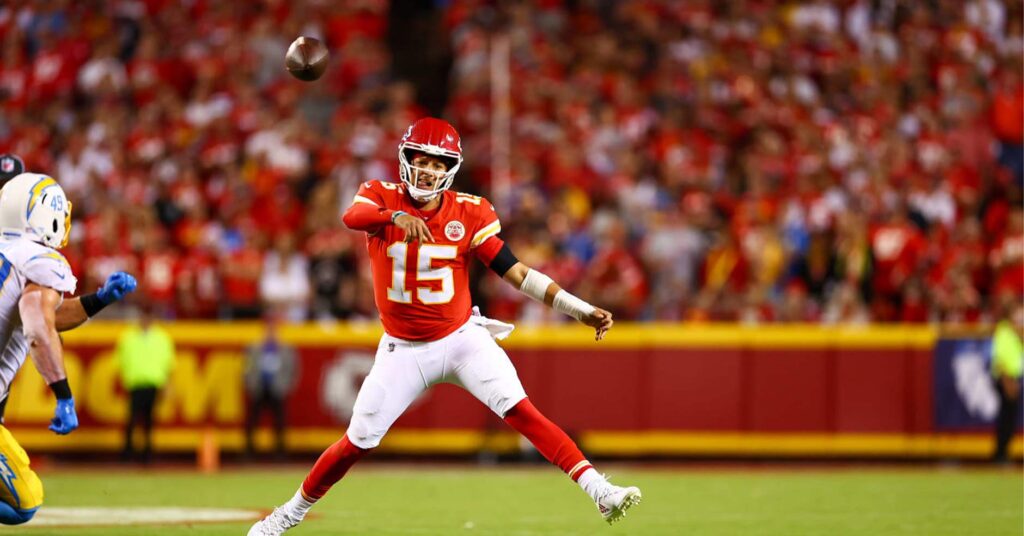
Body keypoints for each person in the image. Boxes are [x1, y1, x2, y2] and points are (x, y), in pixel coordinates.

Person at [249, 118, 639, 536]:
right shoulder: (380, 196)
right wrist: (396, 218)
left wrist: (577, 308)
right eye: (422, 160)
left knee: (522, 411)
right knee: (356, 442)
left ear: (451, 169)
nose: (429, 171)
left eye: (439, 164)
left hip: (461, 338)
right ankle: (286, 515)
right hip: (403, 349)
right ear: (406, 159)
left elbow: (516, 273)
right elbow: (351, 216)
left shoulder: (469, 211)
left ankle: (600, 491)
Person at [0, 172, 136, 524]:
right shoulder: (37, 259)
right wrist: (63, 394)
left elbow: (45, 315)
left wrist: (99, 299)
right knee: (24, 502)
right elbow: (36, 324)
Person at [116, 303, 175, 463]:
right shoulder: (129, 337)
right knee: (132, 419)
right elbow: (121, 359)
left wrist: (167, 383)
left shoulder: (161, 338)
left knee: (149, 420)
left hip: (153, 382)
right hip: (135, 382)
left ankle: (146, 452)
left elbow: (168, 362)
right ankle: (128, 451)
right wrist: (123, 378)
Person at [244, 313, 299, 458]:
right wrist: (250, 384)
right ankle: (249, 450)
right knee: (252, 420)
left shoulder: (285, 348)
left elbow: (292, 369)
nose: (270, 331)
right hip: (259, 388)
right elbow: (247, 368)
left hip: (277, 388)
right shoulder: (254, 348)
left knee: (280, 421)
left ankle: (280, 451)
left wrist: (286, 386)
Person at [991, 299, 1023, 463]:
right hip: (1005, 378)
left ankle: (1002, 453)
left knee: (1009, 417)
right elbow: (1001, 360)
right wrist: (1007, 381)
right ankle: (1000, 454)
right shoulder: (1004, 331)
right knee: (1007, 418)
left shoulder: (1014, 332)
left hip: (1013, 377)